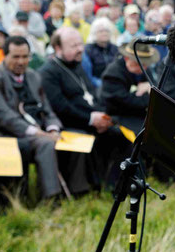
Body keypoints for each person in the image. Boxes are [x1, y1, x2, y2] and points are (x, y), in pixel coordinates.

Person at [39, 27, 130, 186]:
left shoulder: (76, 64)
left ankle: (119, 182)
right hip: (69, 123)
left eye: (80, 44)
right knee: (93, 140)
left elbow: (93, 95)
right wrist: (90, 119)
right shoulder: (48, 72)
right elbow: (59, 106)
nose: (80, 49)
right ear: (58, 48)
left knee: (121, 135)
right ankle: (95, 186)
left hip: (91, 120)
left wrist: (103, 117)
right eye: (73, 46)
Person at [0, 36, 63, 199]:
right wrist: (37, 132)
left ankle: (78, 190)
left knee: (67, 139)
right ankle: (51, 198)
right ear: (5, 56)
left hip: (38, 130)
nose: (21, 62)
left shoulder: (33, 76)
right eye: (16, 57)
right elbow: (3, 116)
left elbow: (46, 109)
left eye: (25, 57)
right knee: (46, 144)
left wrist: (53, 128)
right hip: (8, 132)